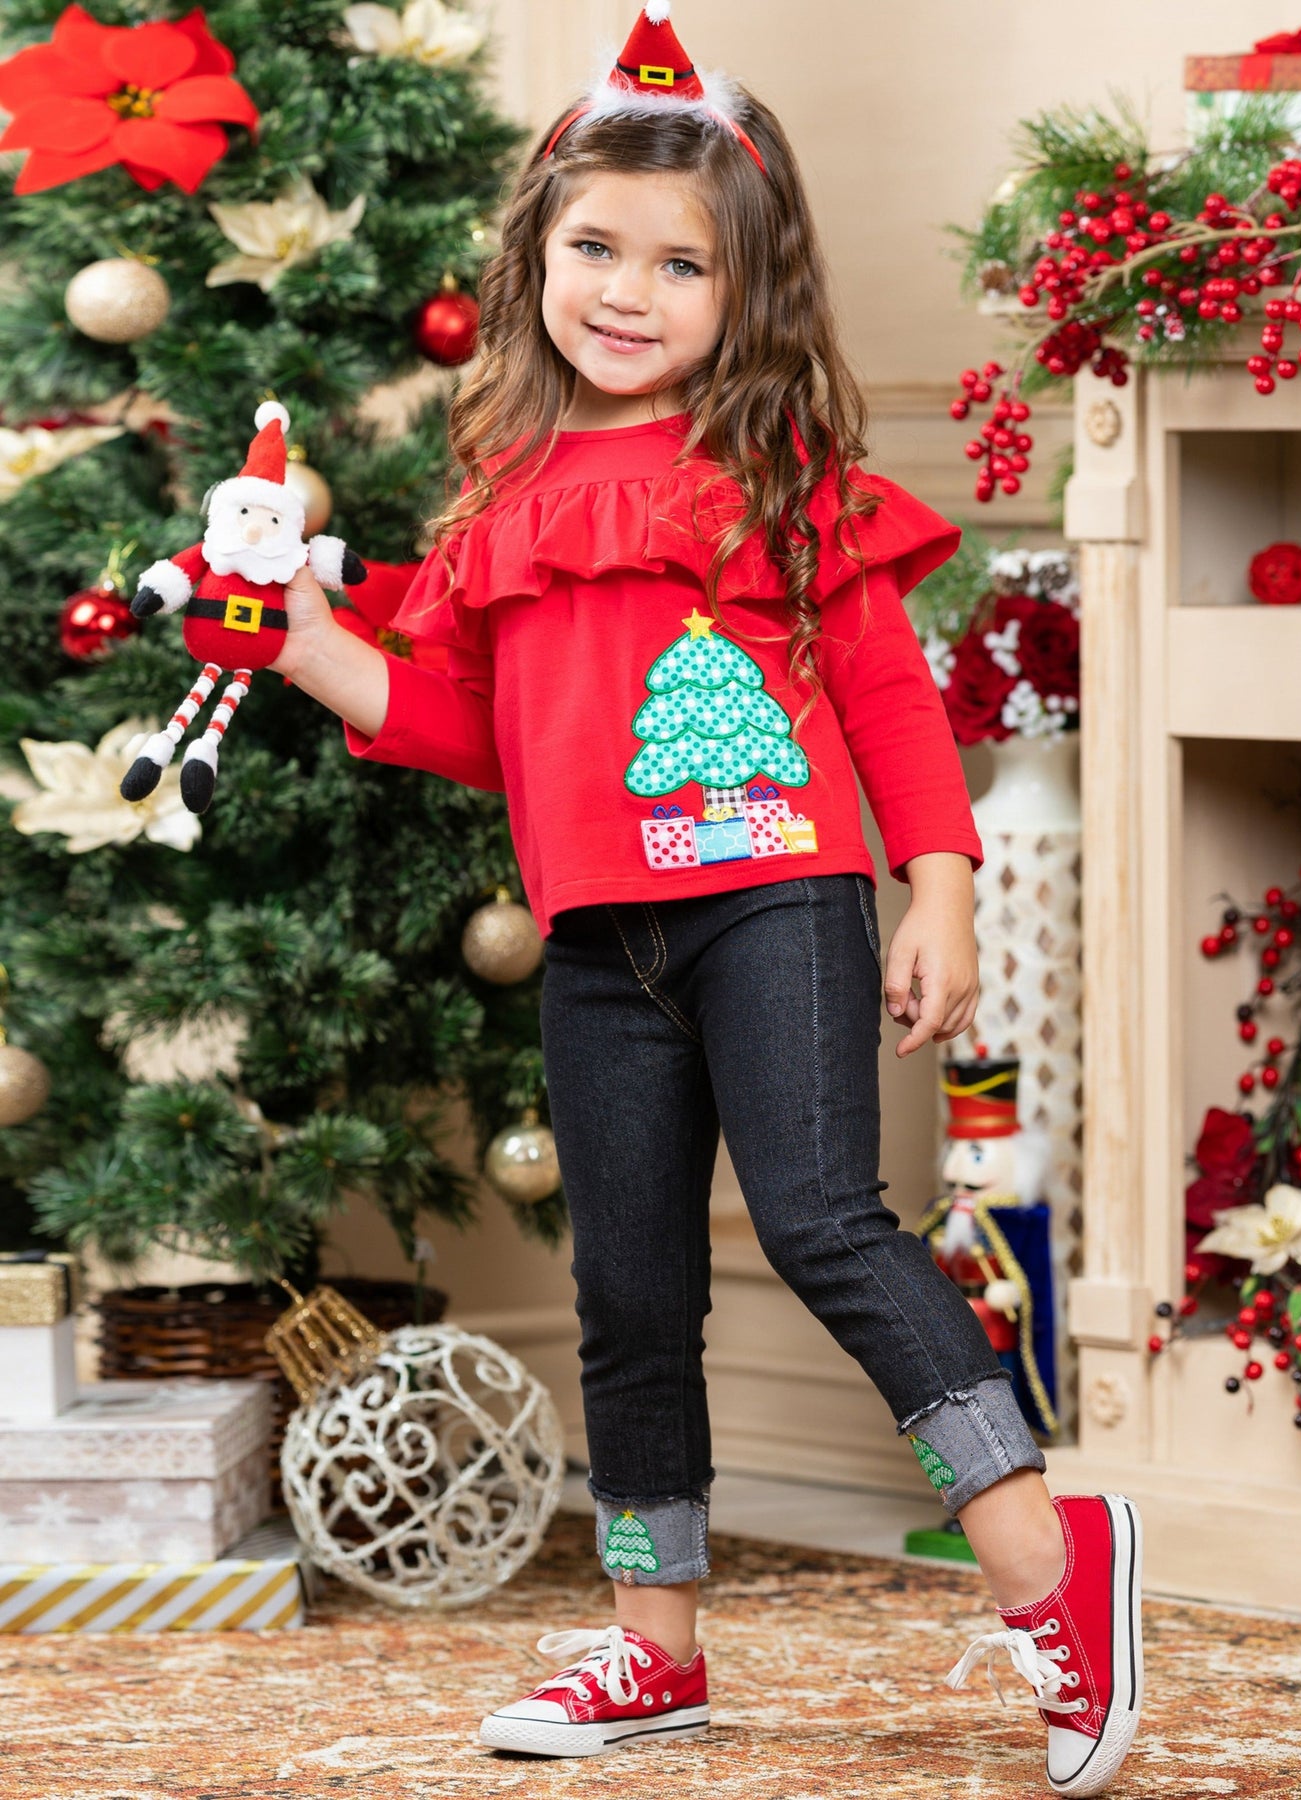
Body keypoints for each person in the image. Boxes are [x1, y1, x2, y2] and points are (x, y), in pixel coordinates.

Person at [272, 7, 1142, 1793]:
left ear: (747, 294)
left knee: (822, 1221)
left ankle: (1050, 1563)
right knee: (632, 1284)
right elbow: (485, 733)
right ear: (536, 258)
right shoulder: (504, 490)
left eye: (681, 266)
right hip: (598, 934)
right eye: (595, 249)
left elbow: (888, 697)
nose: (628, 292)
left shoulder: (776, 472)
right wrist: (300, 642)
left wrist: (940, 887)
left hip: (778, 900)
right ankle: (654, 1644)